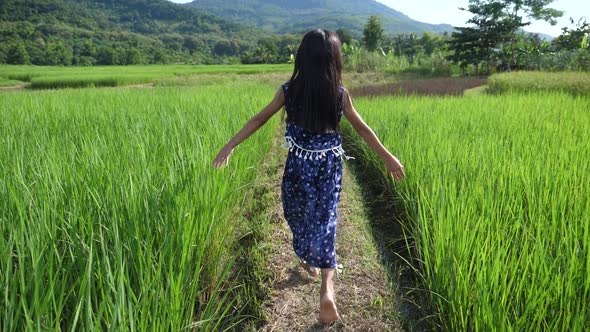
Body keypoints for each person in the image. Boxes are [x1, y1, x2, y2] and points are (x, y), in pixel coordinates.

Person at [213, 29, 405, 324]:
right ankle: (326, 288)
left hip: (298, 168)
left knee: (297, 216)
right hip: (328, 170)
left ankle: (306, 259)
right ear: (334, 60)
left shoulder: (289, 91)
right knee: (326, 222)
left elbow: (259, 119)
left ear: (302, 57)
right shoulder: (339, 93)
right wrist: (387, 156)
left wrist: (230, 146)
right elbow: (363, 129)